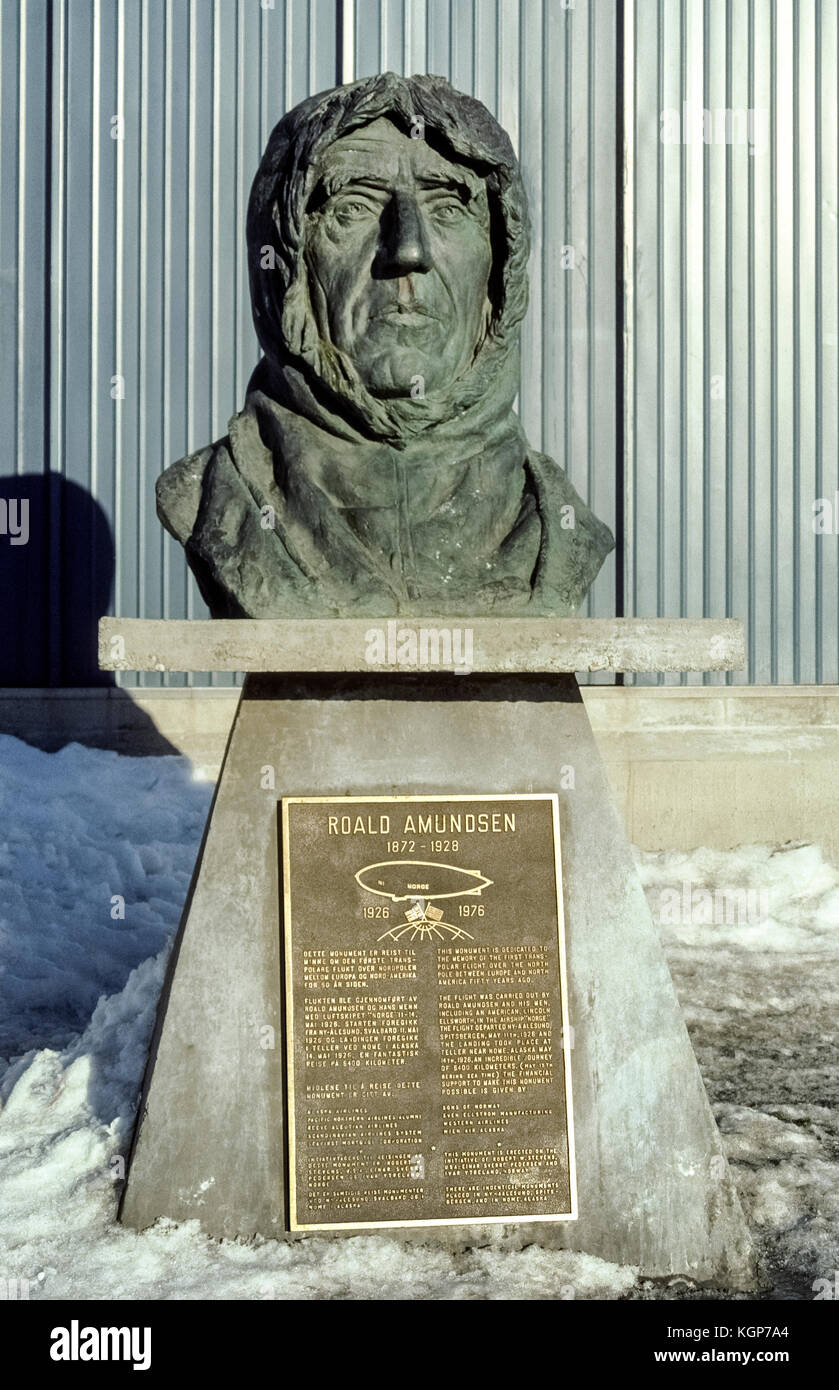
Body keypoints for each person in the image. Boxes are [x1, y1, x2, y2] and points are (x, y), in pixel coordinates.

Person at [156, 71, 614, 617]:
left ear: (501, 270)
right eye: (353, 208)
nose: (408, 251)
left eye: (447, 208)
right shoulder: (213, 501)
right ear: (285, 267)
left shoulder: (557, 527)